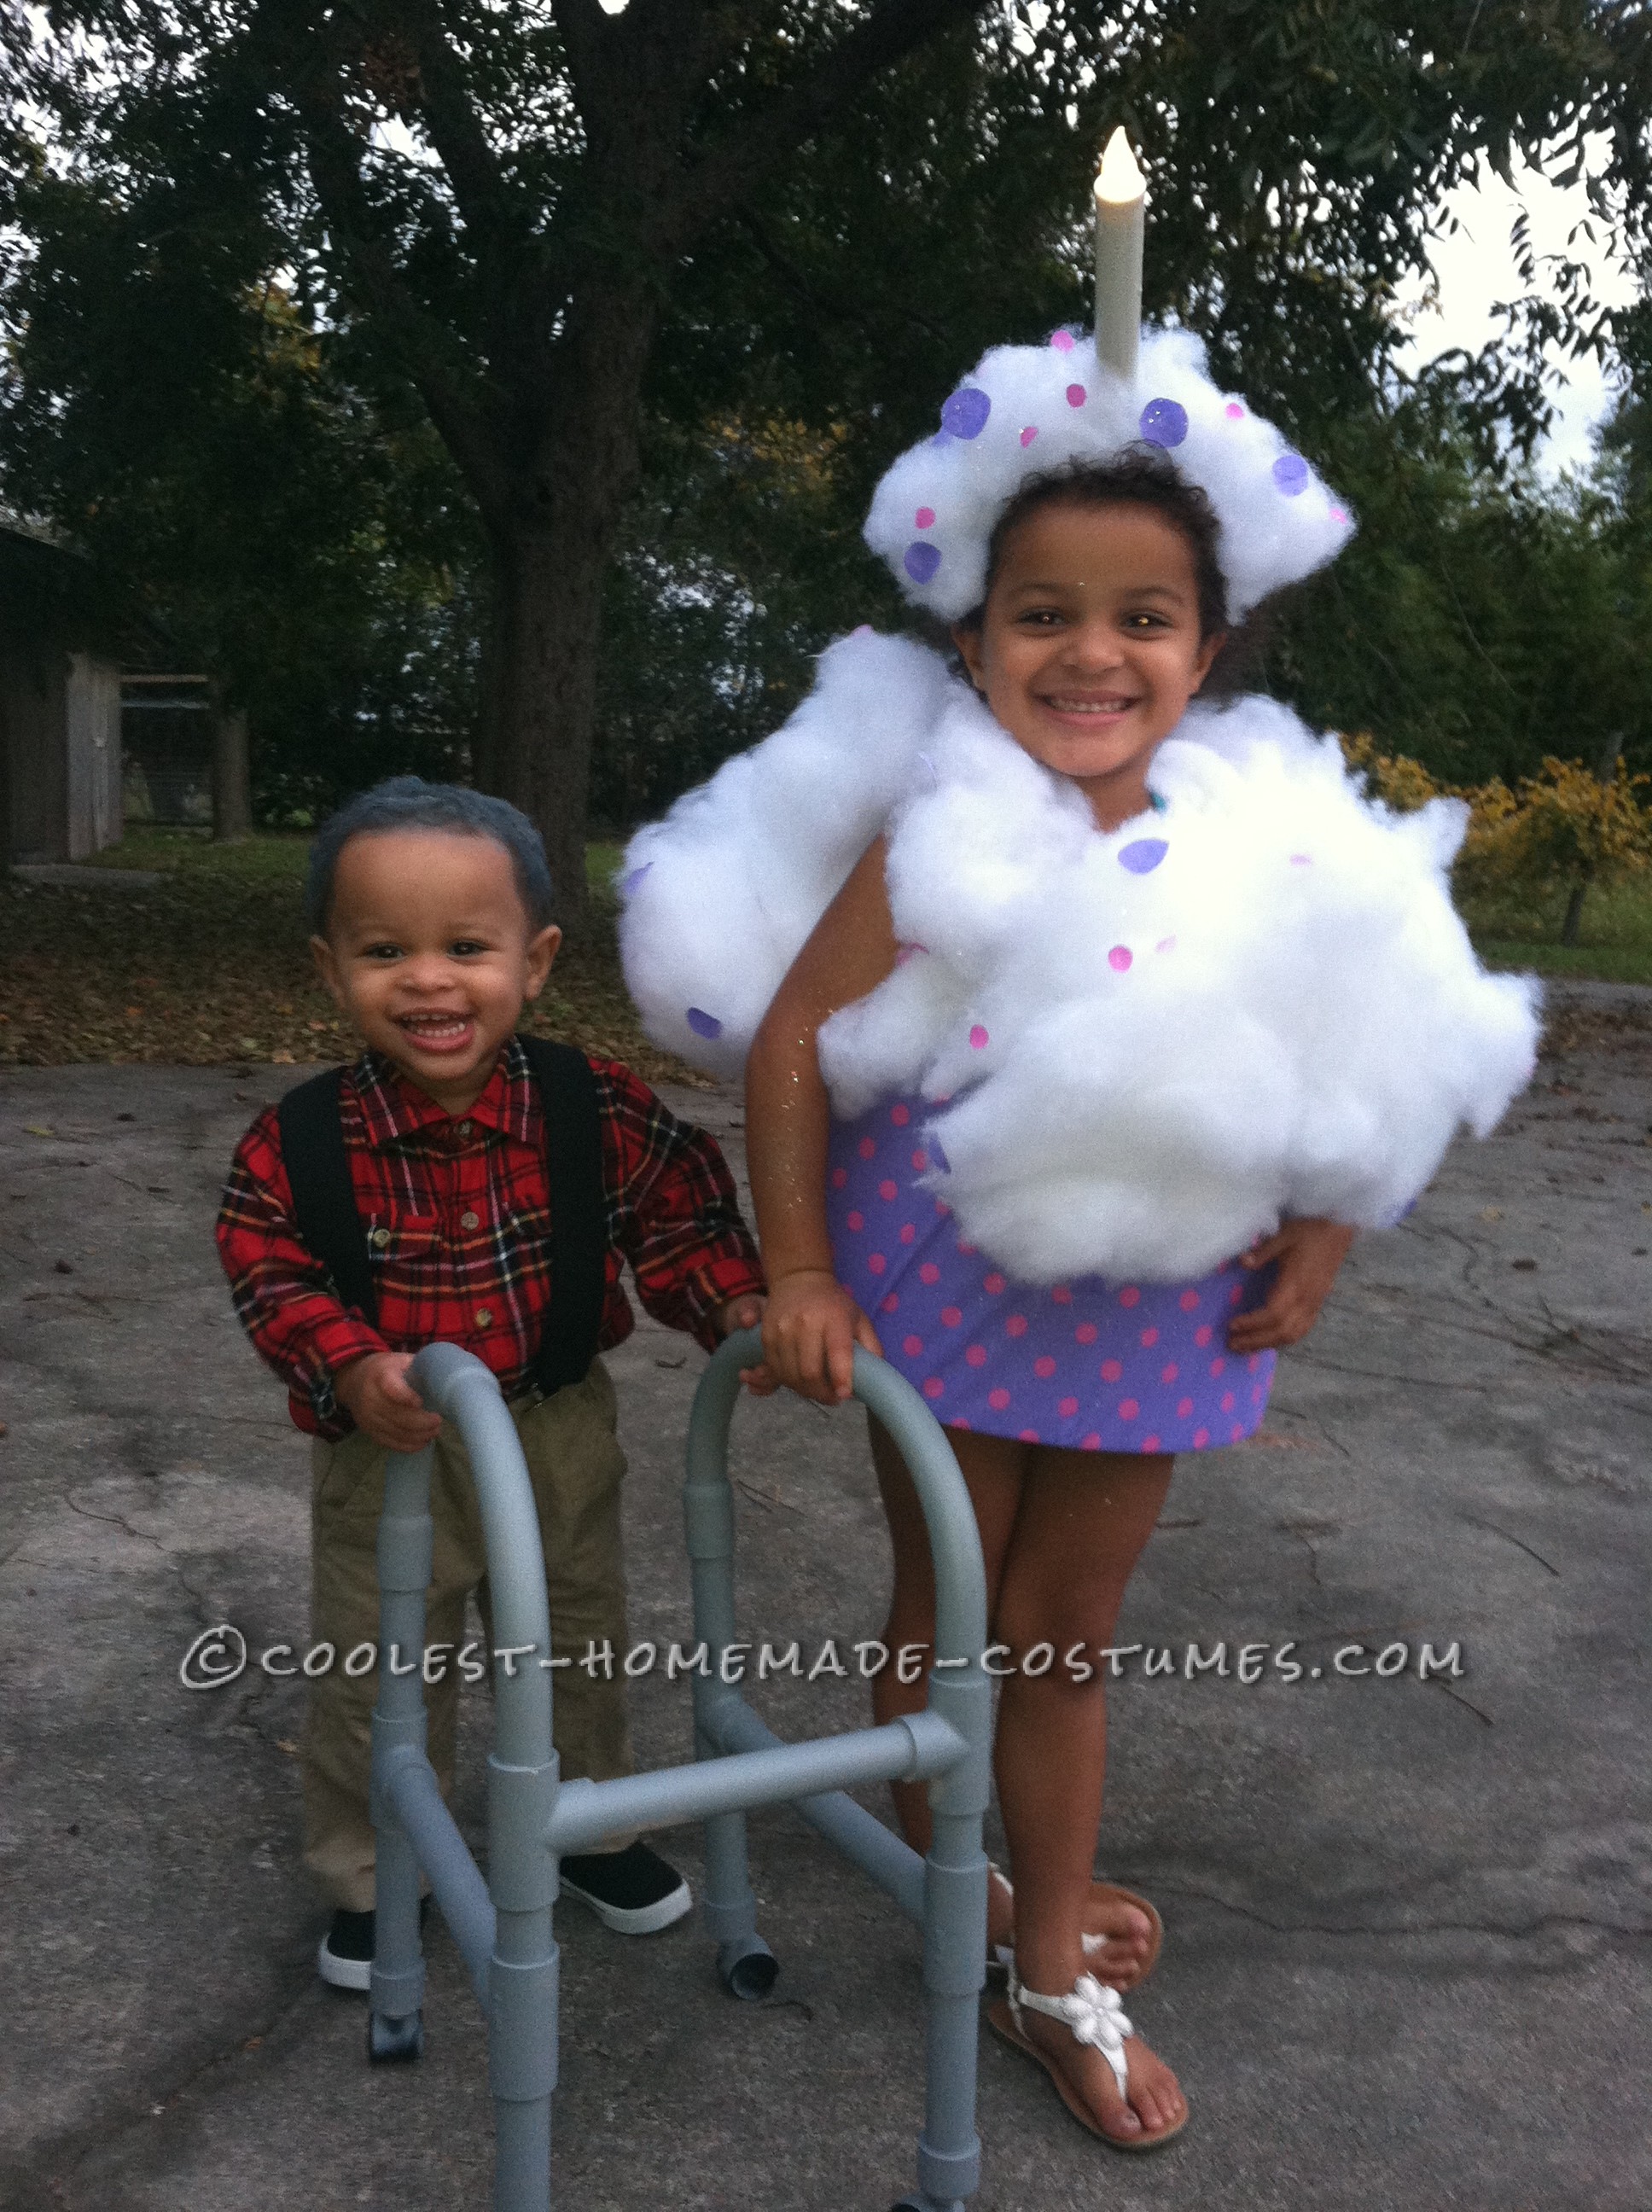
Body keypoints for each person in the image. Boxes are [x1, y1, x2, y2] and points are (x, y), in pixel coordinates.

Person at [616, 330, 1538, 2151]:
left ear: (1206, 649)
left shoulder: (1256, 835)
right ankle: (977, 1884)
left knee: (1062, 1633)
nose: (1090, 653)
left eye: (1141, 617)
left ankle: (1040, 1950)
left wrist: (1331, 1227)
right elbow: (798, 1041)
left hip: (1156, 1298)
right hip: (934, 1274)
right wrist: (794, 1266)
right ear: (970, 643)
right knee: (947, 1605)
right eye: (1040, 614)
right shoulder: (934, 828)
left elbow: (1341, 1058)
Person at [217, 778, 765, 1991]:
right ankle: (375, 1871)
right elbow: (266, 1259)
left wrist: (735, 1299)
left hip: (558, 1422)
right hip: (391, 1441)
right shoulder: (301, 1140)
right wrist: (348, 1362)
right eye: (384, 951)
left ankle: (590, 1827)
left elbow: (677, 1210)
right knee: (378, 1660)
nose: (428, 981)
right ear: (330, 968)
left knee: (577, 1633)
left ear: (536, 959)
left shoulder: (590, 1108)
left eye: (467, 947)